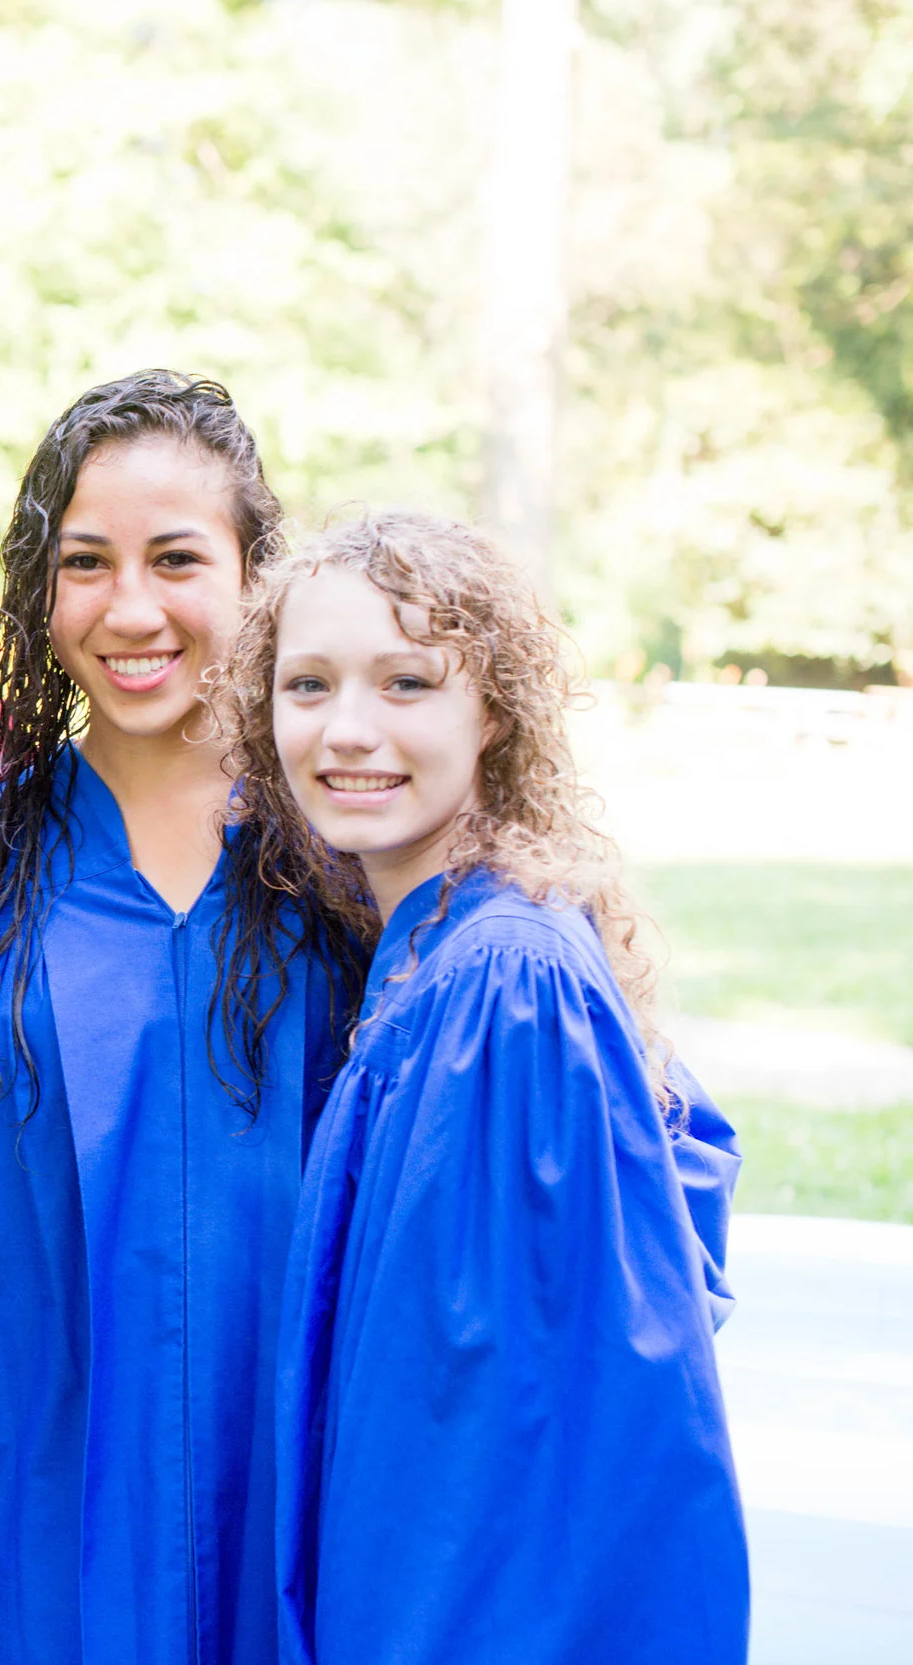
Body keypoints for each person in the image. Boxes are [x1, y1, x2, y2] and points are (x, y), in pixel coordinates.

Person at [224, 510, 748, 1662]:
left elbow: (491, 1443)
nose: (347, 729)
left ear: (491, 710)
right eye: (306, 685)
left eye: (406, 682)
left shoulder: (503, 987)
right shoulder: (434, 942)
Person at [0, 371, 371, 1665]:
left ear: (254, 579)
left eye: (177, 559)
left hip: (298, 1448)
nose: (130, 609)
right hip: (54, 1470)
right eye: (85, 563)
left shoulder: (343, 839)